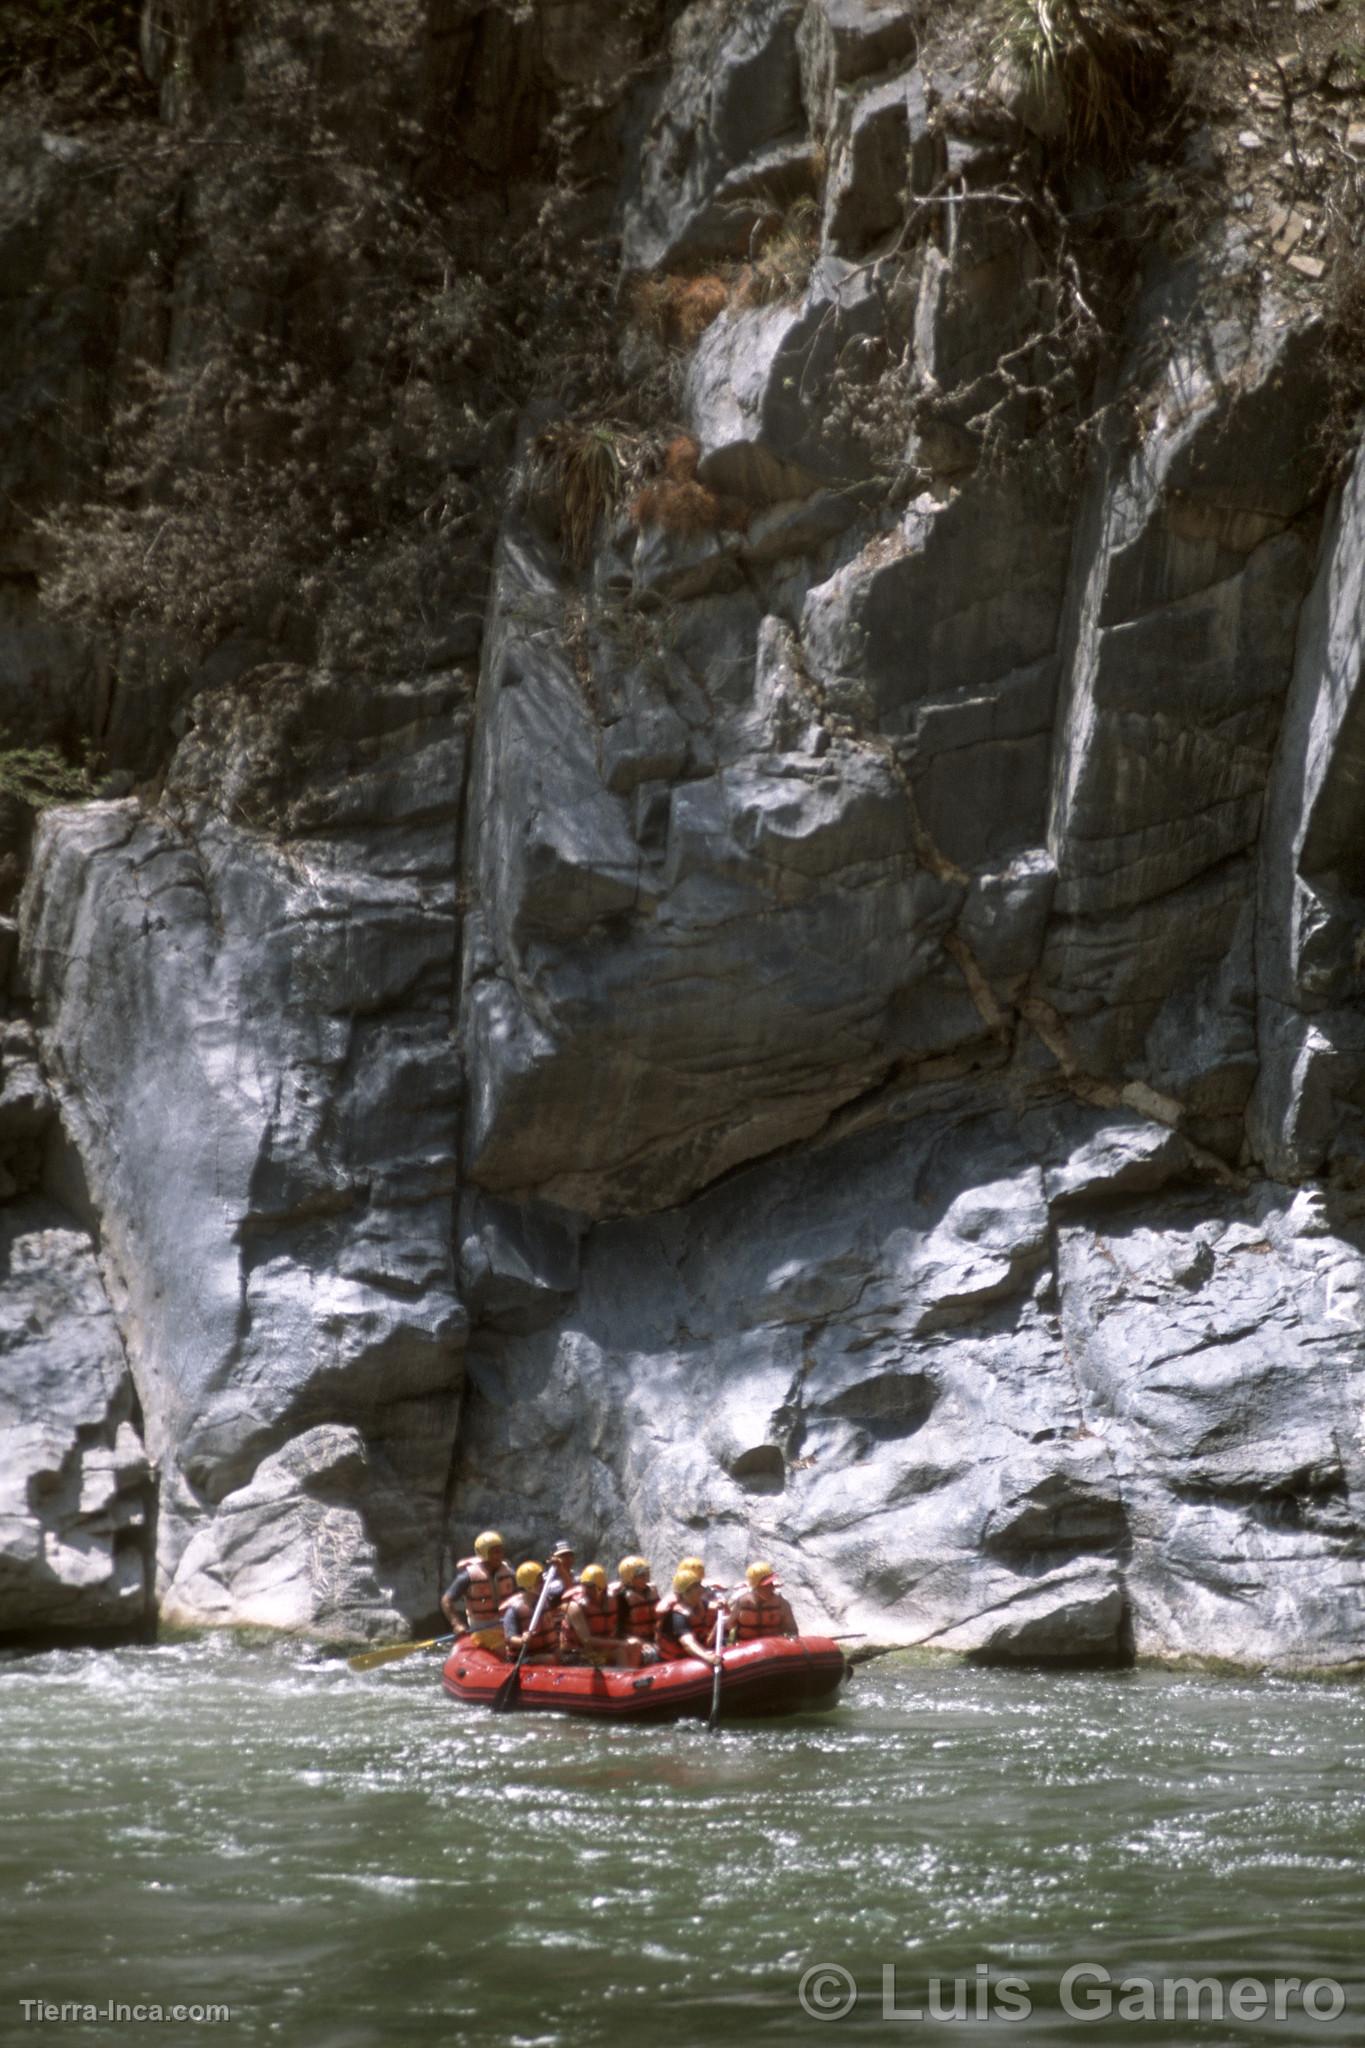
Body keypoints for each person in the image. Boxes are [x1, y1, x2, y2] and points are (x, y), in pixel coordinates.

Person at [441, 1530, 515, 1652]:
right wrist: (456, 1624)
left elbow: (523, 1595)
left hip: (508, 1623)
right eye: (495, 1552)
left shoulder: (508, 1572)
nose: (500, 1555)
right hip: (482, 1628)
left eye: (500, 1551)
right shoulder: (468, 1576)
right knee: (505, 1650)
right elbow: (446, 1601)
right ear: (484, 1554)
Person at [559, 1564, 641, 1668]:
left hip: (600, 1649)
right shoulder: (575, 1606)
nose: (586, 1590)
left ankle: (632, 1678)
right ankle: (625, 1680)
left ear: (601, 1588)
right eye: (584, 1585)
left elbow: (626, 1584)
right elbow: (586, 1640)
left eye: (590, 1587)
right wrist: (621, 1643)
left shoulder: (612, 1599)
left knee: (636, 1644)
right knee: (620, 1652)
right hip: (577, 1653)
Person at [655, 1569, 722, 1666]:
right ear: (685, 1592)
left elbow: (713, 1606)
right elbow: (688, 1644)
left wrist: (720, 1604)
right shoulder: (677, 1616)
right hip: (675, 1663)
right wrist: (707, 1658)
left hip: (696, 1651)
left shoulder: (699, 1603)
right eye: (696, 1586)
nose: (701, 1589)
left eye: (699, 1584)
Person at [501, 1561, 558, 1664]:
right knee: (550, 1659)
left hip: (548, 1651)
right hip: (525, 1658)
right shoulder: (514, 1610)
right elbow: (509, 1639)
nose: (543, 1584)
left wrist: (560, 1568)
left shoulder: (545, 1601)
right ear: (528, 1585)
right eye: (539, 1581)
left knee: (558, 1656)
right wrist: (522, 1640)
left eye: (543, 1580)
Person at [729, 1561, 798, 1642]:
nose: (772, 1587)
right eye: (766, 1585)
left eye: (771, 1583)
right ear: (755, 1587)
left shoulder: (782, 1604)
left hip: (773, 1650)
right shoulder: (742, 1603)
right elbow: (726, 1625)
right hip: (746, 1649)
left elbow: (793, 1632)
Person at [678, 1553, 728, 1652]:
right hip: (695, 1634)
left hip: (709, 1632)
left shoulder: (711, 1589)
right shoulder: (679, 1595)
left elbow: (725, 1612)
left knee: (722, 1616)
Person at [542, 1540, 577, 1615]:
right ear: (552, 1559)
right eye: (562, 1556)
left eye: (569, 1555)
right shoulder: (546, 1579)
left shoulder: (577, 1577)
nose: (567, 1558)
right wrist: (560, 1569)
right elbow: (569, 1589)